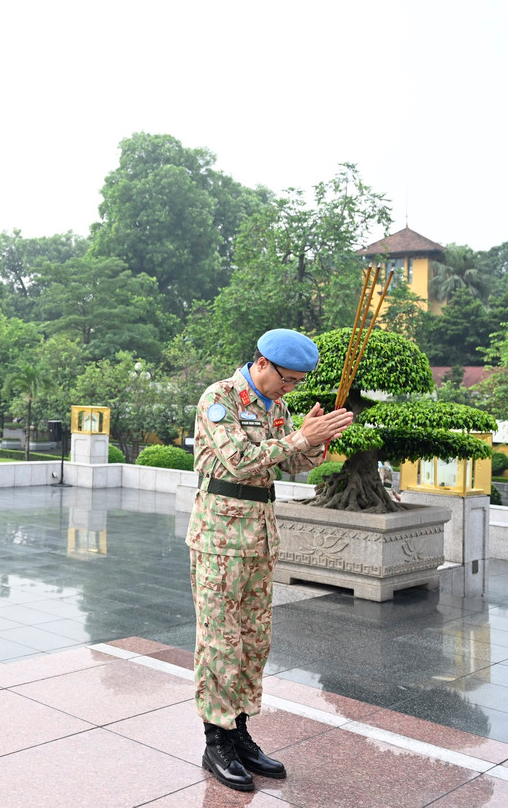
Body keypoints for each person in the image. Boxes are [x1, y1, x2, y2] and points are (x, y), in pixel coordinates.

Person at [188, 329, 354, 792]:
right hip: (219, 537)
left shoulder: (277, 408)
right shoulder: (220, 398)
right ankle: (215, 739)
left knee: (254, 639)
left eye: (298, 382)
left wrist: (315, 441)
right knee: (220, 639)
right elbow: (241, 461)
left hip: (259, 536)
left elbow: (287, 465)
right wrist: (300, 437)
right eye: (288, 379)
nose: (291, 389)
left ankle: (239, 732)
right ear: (262, 362)